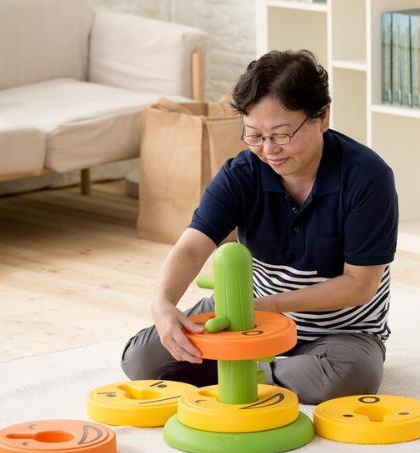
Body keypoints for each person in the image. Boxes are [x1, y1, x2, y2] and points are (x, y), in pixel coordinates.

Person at [121, 49, 398, 404]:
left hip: (338, 332)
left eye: (281, 135)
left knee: (348, 376)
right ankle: (262, 371)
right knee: (140, 359)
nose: (268, 150)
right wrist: (162, 304)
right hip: (248, 316)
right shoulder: (242, 173)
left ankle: (239, 373)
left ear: (322, 116)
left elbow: (359, 285)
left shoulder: (367, 178)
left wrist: (271, 306)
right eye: (254, 135)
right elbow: (191, 248)